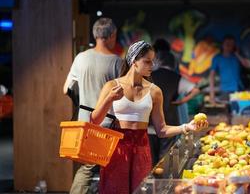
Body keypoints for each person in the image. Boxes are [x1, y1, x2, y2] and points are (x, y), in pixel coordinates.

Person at [90, 40, 208, 194]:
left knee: (141, 190)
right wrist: (109, 99)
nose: (152, 65)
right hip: (116, 147)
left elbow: (162, 130)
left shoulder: (154, 91)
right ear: (133, 61)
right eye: (147, 61)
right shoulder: (112, 86)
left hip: (141, 147)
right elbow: (94, 120)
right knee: (114, 189)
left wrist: (187, 127)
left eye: (153, 61)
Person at [63, 17, 122, 194]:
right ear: (112, 35)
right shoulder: (116, 62)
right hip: (108, 124)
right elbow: (122, 96)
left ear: (94, 34)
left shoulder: (80, 58)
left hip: (85, 123)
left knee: (87, 168)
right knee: (109, 170)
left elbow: (66, 89)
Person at [149, 38, 200, 166]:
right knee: (164, 160)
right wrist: (181, 101)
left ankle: (147, 184)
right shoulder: (176, 78)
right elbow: (195, 90)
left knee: (149, 159)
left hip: (148, 124)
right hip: (168, 124)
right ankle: (162, 183)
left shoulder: (149, 76)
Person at [209, 35, 250, 105]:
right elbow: (211, 76)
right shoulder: (217, 58)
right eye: (227, 44)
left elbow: (248, 65)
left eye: (231, 45)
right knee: (225, 112)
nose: (229, 46)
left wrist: (237, 54)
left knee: (237, 112)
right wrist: (212, 94)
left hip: (238, 90)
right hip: (224, 90)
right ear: (223, 45)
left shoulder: (236, 57)